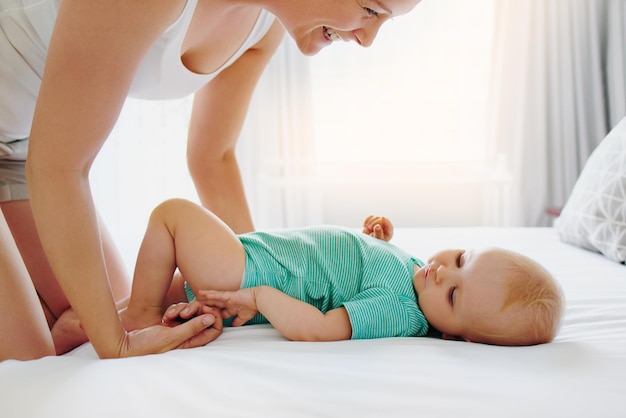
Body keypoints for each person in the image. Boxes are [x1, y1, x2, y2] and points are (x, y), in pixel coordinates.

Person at [0, 0, 423, 360]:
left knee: (102, 318)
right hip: (43, 160)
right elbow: (60, 169)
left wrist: (251, 292)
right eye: (370, 9)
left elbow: (213, 158)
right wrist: (117, 346)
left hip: (19, 150)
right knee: (32, 362)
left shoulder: (263, 24)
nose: (369, 38)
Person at [121, 199, 564, 346]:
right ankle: (77, 327)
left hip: (248, 271)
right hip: (252, 257)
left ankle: (139, 316)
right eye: (463, 260)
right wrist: (373, 239)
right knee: (115, 300)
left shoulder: (400, 311)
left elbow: (320, 327)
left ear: (456, 335)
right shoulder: (414, 278)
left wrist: (256, 297)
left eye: (454, 296)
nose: (444, 272)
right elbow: (349, 270)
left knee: (172, 215)